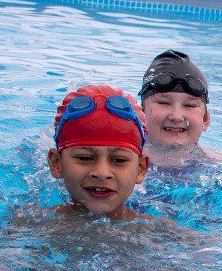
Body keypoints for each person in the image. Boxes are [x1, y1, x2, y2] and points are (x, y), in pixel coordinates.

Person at [45, 85, 151, 221]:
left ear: (140, 169)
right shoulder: (27, 227)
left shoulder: (163, 235)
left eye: (119, 160)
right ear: (56, 164)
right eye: (85, 158)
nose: (102, 173)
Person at [137, 50, 222, 168]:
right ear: (140, 114)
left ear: (205, 119)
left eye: (190, 105)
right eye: (164, 103)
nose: (176, 116)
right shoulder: (122, 163)